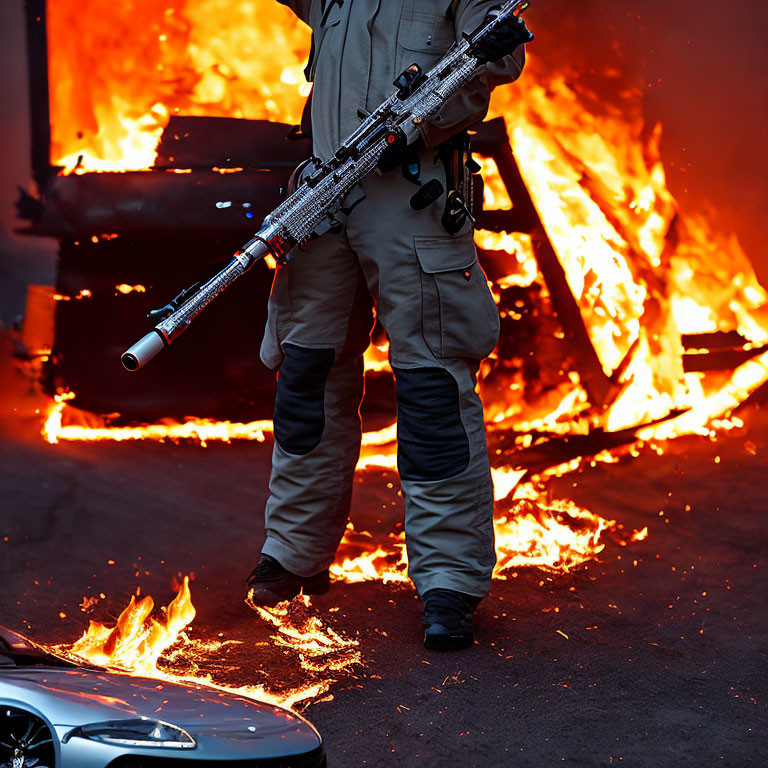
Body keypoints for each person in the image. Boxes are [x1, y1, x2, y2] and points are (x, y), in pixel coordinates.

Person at [247, 0, 533, 651]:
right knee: (307, 379)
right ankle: (294, 553)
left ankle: (449, 580)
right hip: (321, 201)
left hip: (411, 195)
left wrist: (416, 124)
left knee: (431, 388)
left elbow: (499, 57)